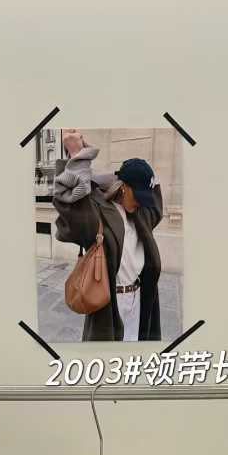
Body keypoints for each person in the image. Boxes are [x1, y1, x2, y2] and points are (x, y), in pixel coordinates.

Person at [52, 131, 163, 342]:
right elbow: (72, 209)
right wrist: (78, 157)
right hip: (109, 305)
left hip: (139, 301)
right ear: (123, 188)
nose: (141, 202)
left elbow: (156, 200)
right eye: (137, 195)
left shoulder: (142, 215)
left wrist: (122, 174)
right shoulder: (99, 214)